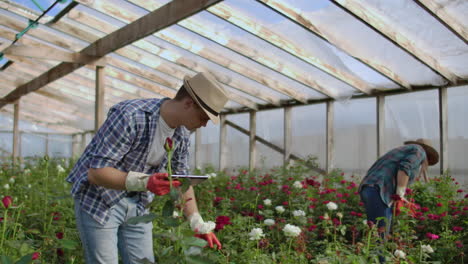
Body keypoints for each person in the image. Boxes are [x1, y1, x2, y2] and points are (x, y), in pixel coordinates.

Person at [66, 72, 229, 263]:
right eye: (204, 117)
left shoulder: (182, 134)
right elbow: (96, 173)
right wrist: (145, 182)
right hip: (100, 199)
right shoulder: (130, 116)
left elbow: (181, 181)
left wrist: (198, 224)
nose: (205, 124)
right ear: (188, 104)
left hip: (139, 203)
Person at [358, 138, 439, 238]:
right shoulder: (420, 150)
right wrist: (400, 195)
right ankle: (379, 253)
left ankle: (371, 252)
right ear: (428, 154)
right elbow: (405, 168)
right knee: (381, 234)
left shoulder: (401, 151)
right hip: (379, 190)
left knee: (373, 232)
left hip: (368, 188)